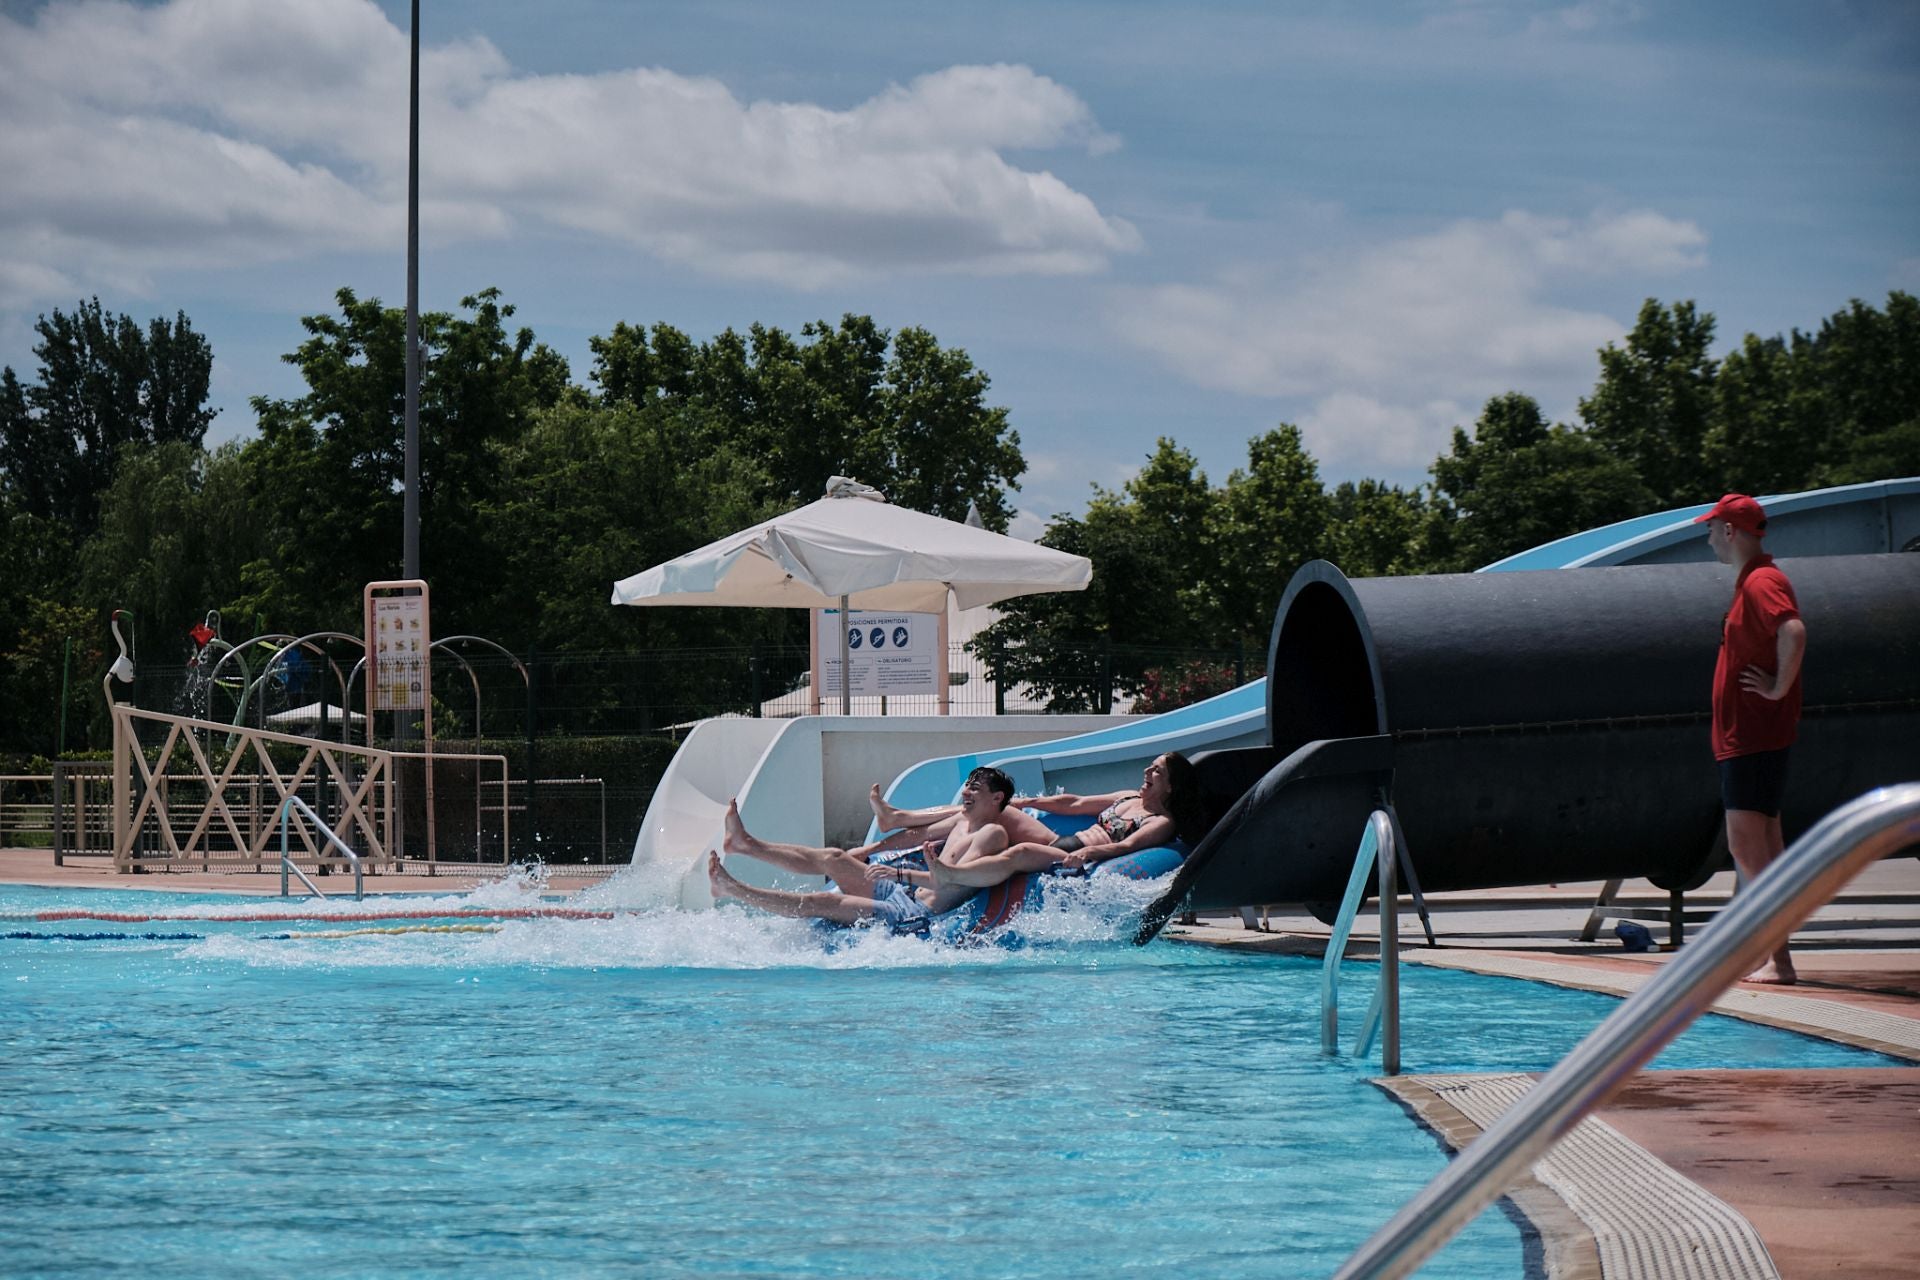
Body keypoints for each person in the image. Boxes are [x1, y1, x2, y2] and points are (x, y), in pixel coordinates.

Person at [1696, 493, 1807, 985]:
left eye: (1712, 528)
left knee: (1747, 847)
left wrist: (1778, 687)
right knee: (1765, 847)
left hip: (1752, 738)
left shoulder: (1763, 581)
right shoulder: (1754, 581)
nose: (1707, 537)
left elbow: (1794, 632)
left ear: (1730, 531)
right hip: (1750, 737)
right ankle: (1774, 956)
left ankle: (1778, 959)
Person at [707, 766, 1016, 930]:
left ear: (997, 798)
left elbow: (950, 878)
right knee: (834, 856)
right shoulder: (961, 820)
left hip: (911, 913)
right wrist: (871, 848)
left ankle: (732, 889)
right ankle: (746, 845)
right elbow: (911, 837)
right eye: (967, 785)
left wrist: (898, 873)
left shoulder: (992, 835)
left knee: (820, 901)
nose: (965, 792)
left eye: (975, 788)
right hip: (901, 892)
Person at [922, 752, 1204, 891]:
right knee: (997, 807)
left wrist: (1087, 852)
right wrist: (1027, 802)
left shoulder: (1161, 821)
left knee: (1019, 854)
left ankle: (953, 876)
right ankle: (899, 823)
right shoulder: (1128, 797)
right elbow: (1075, 803)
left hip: (1074, 854)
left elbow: (1125, 846)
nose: (1147, 770)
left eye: (1156, 770)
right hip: (1060, 842)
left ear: (1170, 785)